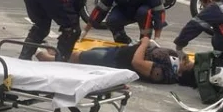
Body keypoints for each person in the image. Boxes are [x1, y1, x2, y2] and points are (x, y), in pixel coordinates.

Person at [36, 35, 197, 86]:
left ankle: (46, 58)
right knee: (81, 54)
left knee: (81, 58)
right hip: (119, 53)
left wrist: (145, 43)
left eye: (190, 63)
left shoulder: (165, 73)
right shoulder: (174, 62)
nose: (189, 60)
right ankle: (56, 53)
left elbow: (137, 63)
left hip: (115, 61)